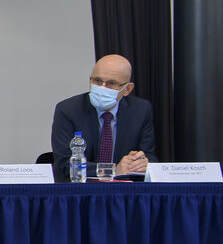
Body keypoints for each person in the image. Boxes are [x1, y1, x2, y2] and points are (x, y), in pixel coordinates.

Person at [50, 54, 156, 182]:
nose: (102, 87)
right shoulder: (67, 110)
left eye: (111, 83)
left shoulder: (140, 110)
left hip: (123, 192)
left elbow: (150, 157)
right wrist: (113, 169)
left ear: (127, 89)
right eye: (97, 81)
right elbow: (65, 164)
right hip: (81, 191)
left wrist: (140, 164)